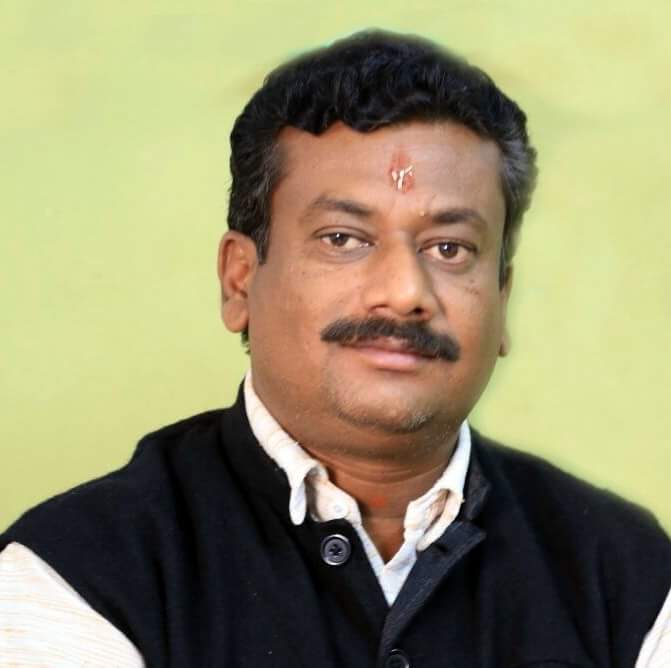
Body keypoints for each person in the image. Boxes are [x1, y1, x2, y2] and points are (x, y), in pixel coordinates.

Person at [1, 29, 669, 667]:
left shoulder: (628, 577)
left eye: (449, 248)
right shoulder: (76, 575)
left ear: (501, 299)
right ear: (239, 279)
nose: (404, 293)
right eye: (343, 239)